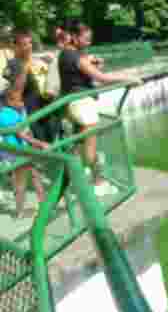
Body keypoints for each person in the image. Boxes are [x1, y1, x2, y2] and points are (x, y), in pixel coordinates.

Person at [59, 21, 139, 190]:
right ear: (74, 37)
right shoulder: (77, 57)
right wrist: (128, 77)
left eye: (90, 39)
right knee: (89, 149)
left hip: (71, 105)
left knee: (80, 145)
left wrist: (92, 64)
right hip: (82, 106)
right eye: (86, 39)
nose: (89, 43)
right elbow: (102, 78)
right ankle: (92, 183)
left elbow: (83, 75)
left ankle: (87, 180)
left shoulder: (66, 54)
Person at [1, 74, 50, 218]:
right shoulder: (6, 115)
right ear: (9, 101)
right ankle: (20, 212)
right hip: (15, 153)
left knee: (35, 176)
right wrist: (40, 144)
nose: (23, 102)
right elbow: (22, 135)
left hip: (24, 151)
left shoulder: (17, 111)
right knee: (21, 182)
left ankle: (44, 204)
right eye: (19, 100)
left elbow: (26, 131)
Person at [4, 29, 60, 143]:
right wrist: (26, 66)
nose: (29, 47)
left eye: (30, 43)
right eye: (24, 44)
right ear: (16, 46)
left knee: (52, 138)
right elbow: (15, 92)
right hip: (30, 111)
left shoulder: (35, 61)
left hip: (44, 106)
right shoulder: (14, 64)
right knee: (40, 143)